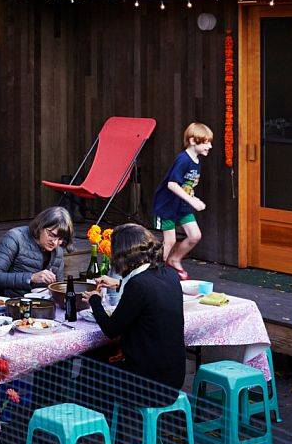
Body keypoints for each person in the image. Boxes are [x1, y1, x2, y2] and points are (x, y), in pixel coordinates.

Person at [89, 222, 186, 393]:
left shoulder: (138, 284)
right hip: (174, 378)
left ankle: (99, 416)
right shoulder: (169, 273)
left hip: (147, 385)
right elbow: (149, 294)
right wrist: (119, 284)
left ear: (122, 256)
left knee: (93, 358)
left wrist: (95, 300)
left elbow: (111, 329)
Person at [153, 122, 213, 277]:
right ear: (193, 141)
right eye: (206, 143)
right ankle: (157, 272)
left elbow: (186, 185)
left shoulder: (197, 160)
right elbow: (172, 184)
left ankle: (174, 259)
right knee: (170, 241)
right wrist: (192, 201)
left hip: (182, 204)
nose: (210, 146)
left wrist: (193, 197)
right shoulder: (183, 160)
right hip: (167, 205)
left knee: (195, 235)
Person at [0, 206, 73, 295]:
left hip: (34, 303)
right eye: (51, 235)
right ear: (41, 226)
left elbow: (59, 287)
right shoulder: (15, 237)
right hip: (0, 302)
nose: (55, 242)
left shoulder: (58, 250)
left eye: (60, 239)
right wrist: (31, 277)